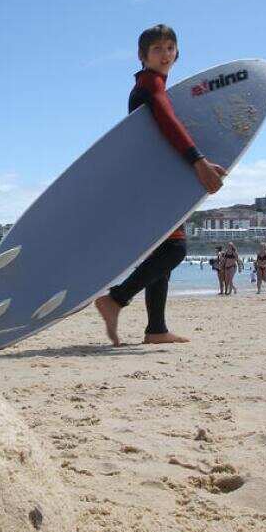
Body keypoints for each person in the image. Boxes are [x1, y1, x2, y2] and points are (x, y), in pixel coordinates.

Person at [94, 24, 225, 345]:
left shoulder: (153, 85)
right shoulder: (150, 84)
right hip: (151, 185)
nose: (165, 54)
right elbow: (168, 122)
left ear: (177, 52)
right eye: (157, 49)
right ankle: (116, 299)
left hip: (151, 182)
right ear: (142, 56)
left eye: (170, 48)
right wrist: (198, 161)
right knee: (176, 249)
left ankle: (156, 329)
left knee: (164, 250)